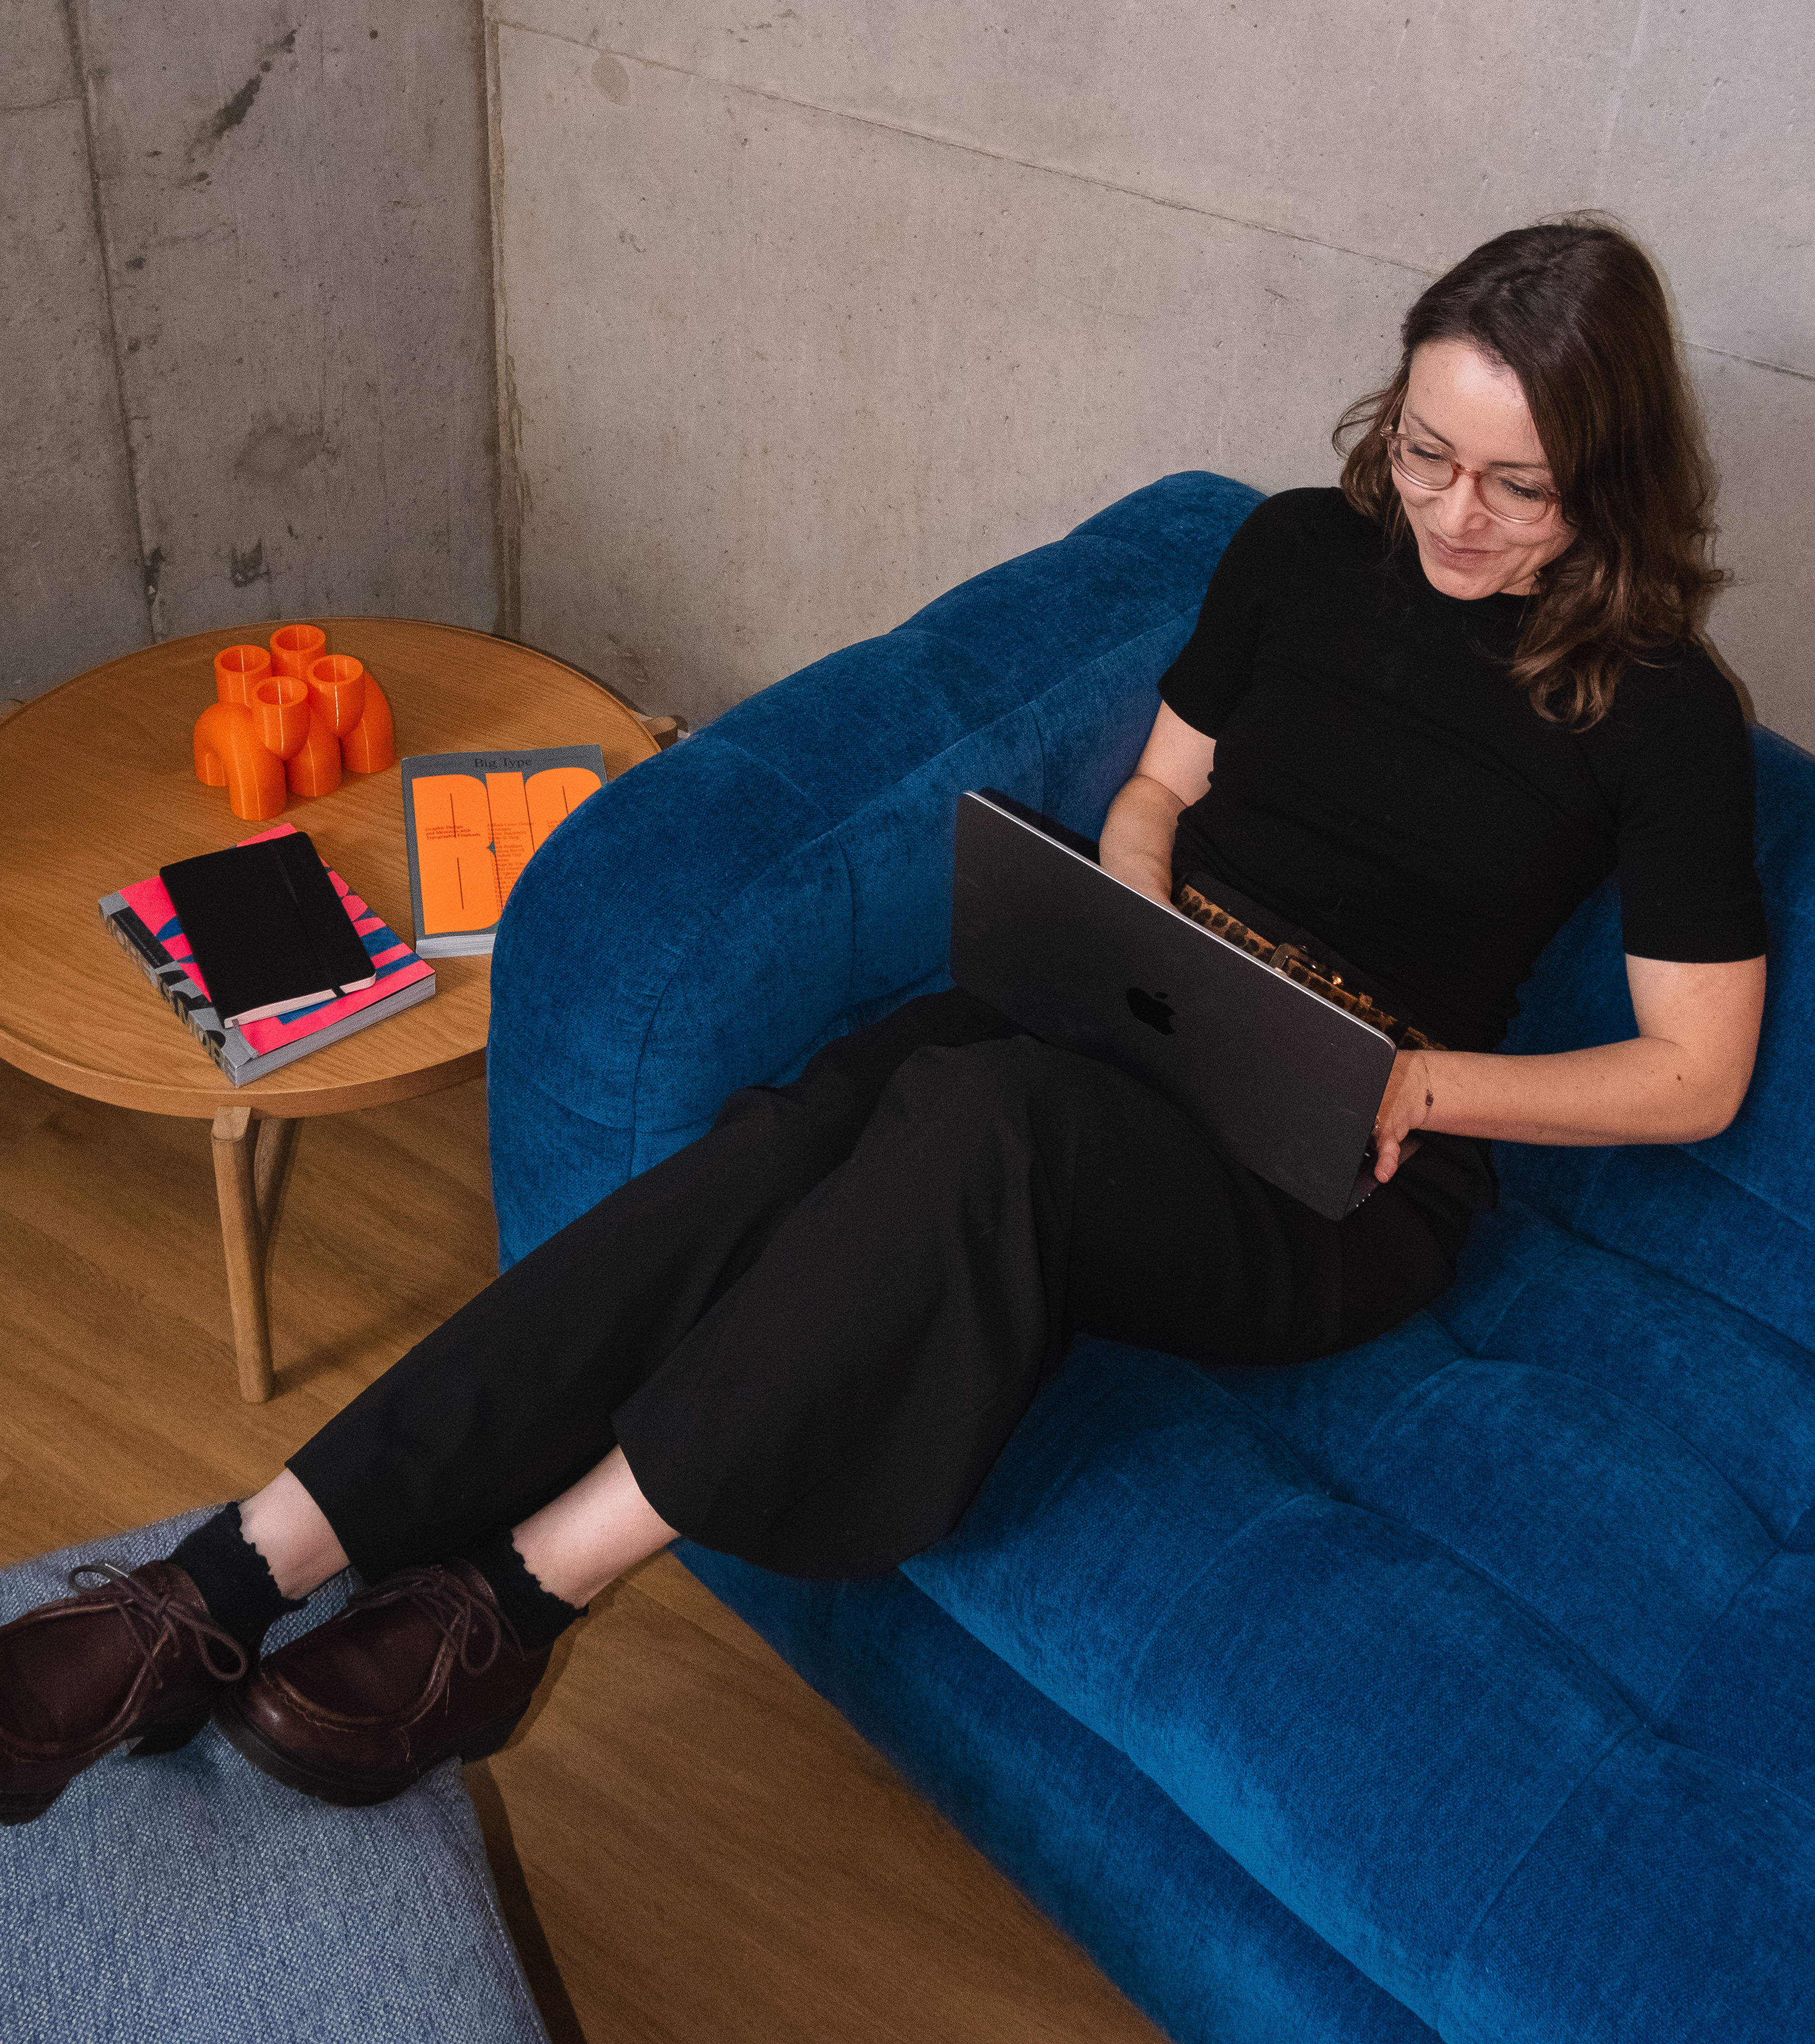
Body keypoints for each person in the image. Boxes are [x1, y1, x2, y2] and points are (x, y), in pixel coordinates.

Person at [0, 219, 1768, 1824]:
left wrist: (1415, 1083)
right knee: (785, 1136)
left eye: (1517, 489)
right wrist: (1129, 909)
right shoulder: (1302, 553)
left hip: (1340, 1168)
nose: (1453, 515)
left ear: (1606, 482)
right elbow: (1159, 786)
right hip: (1139, 1004)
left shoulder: (1661, 710)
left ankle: (516, 1595)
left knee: (986, 1124)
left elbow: (1693, 1077)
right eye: (1426, 451)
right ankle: (221, 1581)